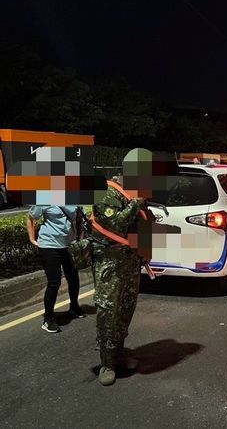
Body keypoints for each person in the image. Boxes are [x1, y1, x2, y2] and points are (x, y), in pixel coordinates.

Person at [90, 148, 178, 386]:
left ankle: (118, 354)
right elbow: (116, 224)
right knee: (109, 312)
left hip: (130, 263)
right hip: (109, 265)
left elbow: (142, 227)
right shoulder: (107, 192)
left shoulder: (136, 194)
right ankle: (107, 363)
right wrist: (137, 202)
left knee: (126, 310)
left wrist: (146, 254)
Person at [26, 205, 86, 333]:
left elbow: (79, 219)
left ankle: (74, 307)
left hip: (68, 245)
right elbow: (31, 217)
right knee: (54, 282)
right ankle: (48, 319)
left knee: (73, 277)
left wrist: (79, 238)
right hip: (49, 244)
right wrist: (32, 239)